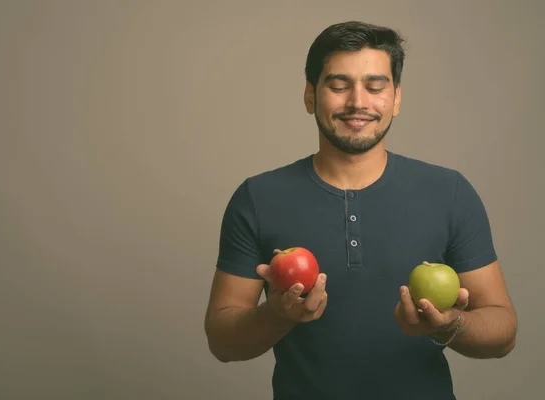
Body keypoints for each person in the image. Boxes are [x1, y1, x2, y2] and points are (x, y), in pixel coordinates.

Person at [203, 21, 517, 400]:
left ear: (396, 98)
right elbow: (222, 341)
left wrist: (448, 325)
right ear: (309, 95)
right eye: (338, 85)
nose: (358, 102)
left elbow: (503, 332)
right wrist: (277, 315)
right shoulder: (257, 197)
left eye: (375, 86)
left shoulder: (449, 191)